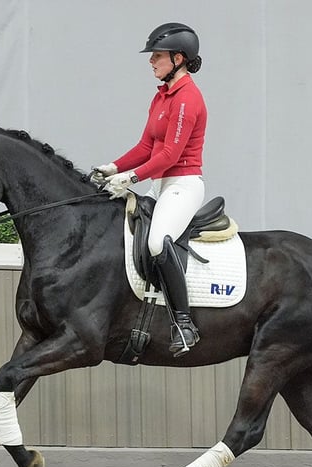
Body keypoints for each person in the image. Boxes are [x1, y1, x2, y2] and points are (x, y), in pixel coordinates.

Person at [94, 22, 207, 357]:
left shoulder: (187, 98)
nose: (151, 61)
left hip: (183, 185)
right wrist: (113, 167)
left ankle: (184, 325)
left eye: (157, 56)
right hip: (162, 184)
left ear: (178, 58)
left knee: (158, 242)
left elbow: (170, 155)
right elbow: (147, 146)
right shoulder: (162, 96)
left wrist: (130, 179)